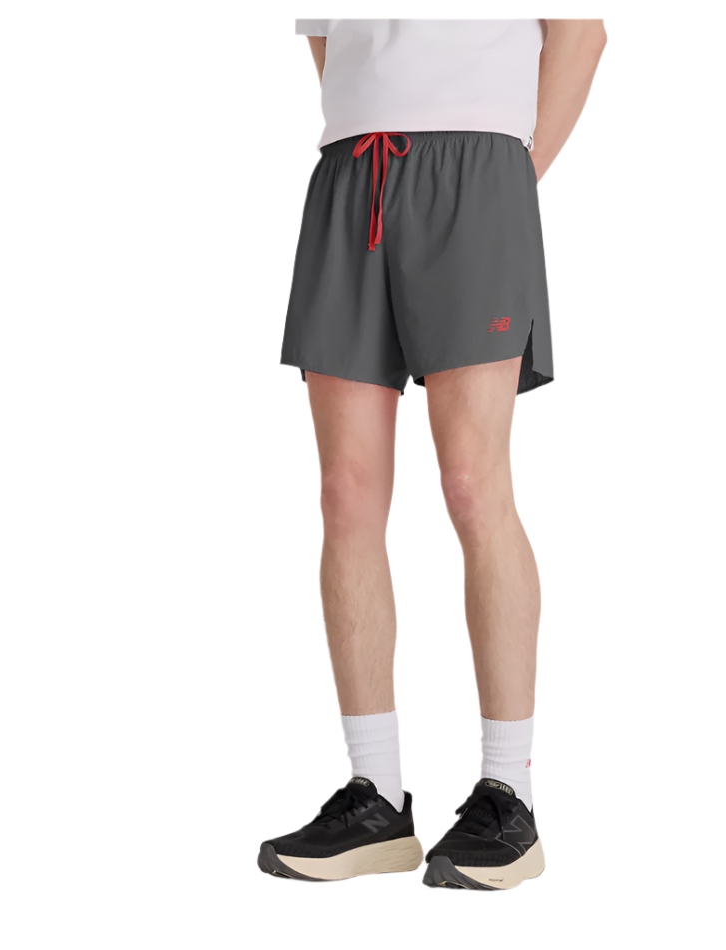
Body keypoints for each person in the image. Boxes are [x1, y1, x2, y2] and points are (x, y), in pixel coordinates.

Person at [258, 18, 607, 890]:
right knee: (345, 494)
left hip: (478, 169)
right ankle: (375, 796)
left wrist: (511, 178)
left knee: (472, 484)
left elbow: (581, 32)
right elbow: (326, 39)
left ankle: (509, 795)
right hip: (352, 169)